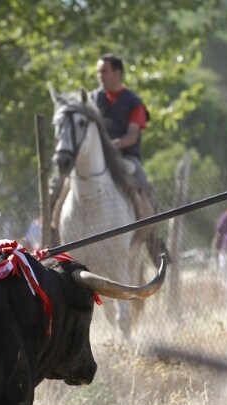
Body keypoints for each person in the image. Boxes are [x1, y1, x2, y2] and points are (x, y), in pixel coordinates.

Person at [91, 53, 164, 257]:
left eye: (104, 71)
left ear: (117, 72)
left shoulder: (134, 102)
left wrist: (110, 146)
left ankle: (153, 240)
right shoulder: (92, 99)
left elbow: (132, 137)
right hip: (96, 158)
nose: (100, 76)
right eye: (99, 72)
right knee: (61, 183)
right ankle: (52, 233)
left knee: (144, 187)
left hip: (125, 158)